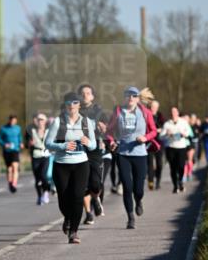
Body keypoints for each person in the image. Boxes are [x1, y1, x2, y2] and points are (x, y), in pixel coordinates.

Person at [45, 92, 96, 244]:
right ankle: (67, 217)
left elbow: (93, 145)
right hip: (61, 164)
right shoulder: (57, 122)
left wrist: (88, 142)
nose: (72, 105)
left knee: (78, 197)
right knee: (63, 197)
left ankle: (73, 231)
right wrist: (63, 145)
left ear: (79, 105)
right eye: (69, 103)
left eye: (75, 102)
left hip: (81, 164)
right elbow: (47, 143)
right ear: (65, 105)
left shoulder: (86, 122)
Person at [105, 86, 158, 229]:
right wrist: (111, 141)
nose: (131, 98)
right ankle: (130, 218)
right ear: (125, 97)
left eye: (134, 96)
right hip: (123, 154)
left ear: (138, 98)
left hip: (140, 154)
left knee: (138, 189)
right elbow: (109, 131)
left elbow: (154, 131)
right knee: (127, 187)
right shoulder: (117, 112)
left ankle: (139, 200)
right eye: (128, 95)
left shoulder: (145, 112)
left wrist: (145, 137)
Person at [78, 83, 109, 224]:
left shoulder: (99, 111)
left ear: (93, 96)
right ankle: (88, 213)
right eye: (83, 93)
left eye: (88, 93)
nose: (85, 95)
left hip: (94, 149)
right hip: (79, 149)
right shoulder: (74, 110)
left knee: (95, 183)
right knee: (83, 183)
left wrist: (103, 128)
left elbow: (107, 128)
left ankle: (96, 198)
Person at [160, 106, 193, 192]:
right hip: (170, 148)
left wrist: (183, 133)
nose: (173, 113)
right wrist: (167, 134)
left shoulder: (183, 122)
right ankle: (175, 186)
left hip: (181, 147)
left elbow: (188, 132)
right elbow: (161, 137)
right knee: (173, 167)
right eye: (171, 112)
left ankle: (180, 181)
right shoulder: (167, 124)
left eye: (175, 112)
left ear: (178, 113)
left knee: (181, 166)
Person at [25, 113, 51, 206]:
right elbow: (25, 144)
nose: (40, 121)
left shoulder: (49, 131)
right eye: (38, 119)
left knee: (43, 176)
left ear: (45, 121)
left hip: (45, 156)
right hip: (35, 156)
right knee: (37, 179)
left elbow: (53, 142)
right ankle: (39, 196)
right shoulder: (31, 131)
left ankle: (46, 192)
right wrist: (29, 144)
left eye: (42, 119)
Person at [0, 115, 23, 193]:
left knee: (15, 166)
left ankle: (14, 184)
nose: (13, 122)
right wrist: (4, 144)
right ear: (9, 120)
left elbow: (19, 137)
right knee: (9, 169)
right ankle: (10, 182)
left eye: (14, 121)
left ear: (16, 121)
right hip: (7, 151)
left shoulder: (18, 128)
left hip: (15, 150)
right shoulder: (3, 129)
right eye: (11, 121)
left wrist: (21, 143)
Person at [145, 95, 165, 190]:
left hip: (159, 141)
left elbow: (164, 128)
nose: (154, 108)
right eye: (152, 106)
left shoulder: (160, 116)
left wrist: (160, 130)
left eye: (155, 107)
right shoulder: (147, 114)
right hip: (149, 142)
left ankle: (158, 181)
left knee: (159, 163)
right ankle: (151, 181)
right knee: (149, 163)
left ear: (158, 108)